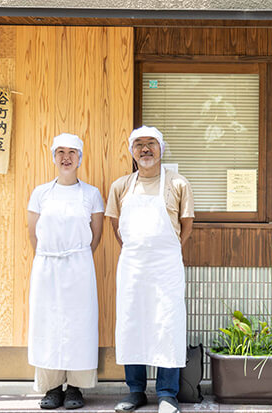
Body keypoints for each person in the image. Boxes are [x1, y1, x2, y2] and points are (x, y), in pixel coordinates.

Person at [106, 126, 194, 413]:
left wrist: (163, 249)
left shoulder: (178, 184)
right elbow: (115, 227)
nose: (145, 149)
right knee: (133, 322)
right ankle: (135, 391)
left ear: (161, 148)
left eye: (151, 144)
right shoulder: (120, 186)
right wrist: (138, 248)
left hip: (167, 264)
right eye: (139, 144)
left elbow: (186, 226)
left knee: (167, 323)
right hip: (132, 264)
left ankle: (168, 393)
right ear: (131, 151)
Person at [27, 133, 105, 410]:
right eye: (60, 151)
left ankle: (75, 388)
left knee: (78, 325)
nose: (66, 157)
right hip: (47, 266)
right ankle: (51, 388)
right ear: (53, 157)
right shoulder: (41, 193)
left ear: (80, 158)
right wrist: (52, 255)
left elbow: (95, 236)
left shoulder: (91, 194)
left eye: (72, 152)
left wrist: (76, 256)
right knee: (47, 323)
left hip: (79, 267)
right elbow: (33, 234)